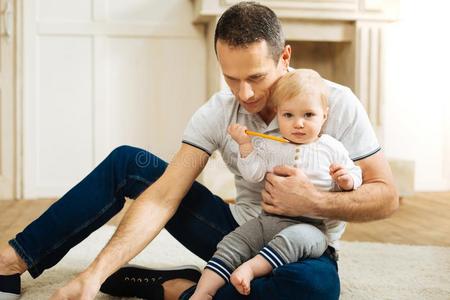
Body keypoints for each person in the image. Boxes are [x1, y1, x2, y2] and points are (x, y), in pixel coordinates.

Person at [0, 2, 398, 300]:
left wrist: (314, 200)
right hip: (235, 234)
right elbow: (164, 194)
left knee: (314, 290)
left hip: (304, 244)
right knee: (129, 163)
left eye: (257, 77)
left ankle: (175, 288)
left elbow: (386, 197)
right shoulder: (218, 111)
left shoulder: (335, 103)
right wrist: (94, 274)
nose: (245, 94)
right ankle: (12, 261)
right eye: (231, 77)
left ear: (285, 57)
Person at [189, 69, 363, 299]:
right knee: (233, 241)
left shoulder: (331, 147)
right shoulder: (271, 147)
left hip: (311, 228)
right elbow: (252, 174)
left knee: (296, 241)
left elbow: (355, 172)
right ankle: (201, 293)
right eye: (288, 115)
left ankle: (251, 268)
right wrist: (245, 145)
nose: (298, 123)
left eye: (308, 115)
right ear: (278, 114)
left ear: (324, 115)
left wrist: (347, 180)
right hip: (267, 221)